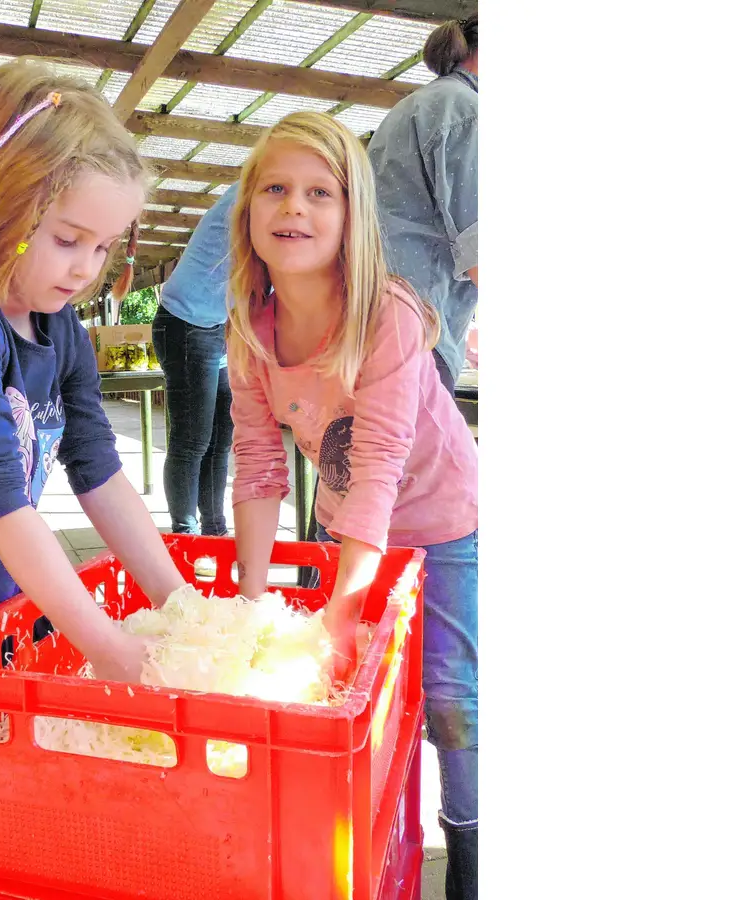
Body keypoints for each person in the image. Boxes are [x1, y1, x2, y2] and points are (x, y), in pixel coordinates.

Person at [0, 59, 188, 899]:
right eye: (66, 237)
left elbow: (100, 473)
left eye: (101, 245)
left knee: (4, 818)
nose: (87, 266)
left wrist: (179, 606)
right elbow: (3, 503)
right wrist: (108, 646)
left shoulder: (59, 328)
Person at [225, 111, 480, 900]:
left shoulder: (387, 315)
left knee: (446, 696)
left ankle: (472, 858)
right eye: (275, 190)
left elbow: (376, 467)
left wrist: (342, 610)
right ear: (248, 216)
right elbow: (261, 468)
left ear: (354, 215)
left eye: (318, 193)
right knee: (362, 700)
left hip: (442, 526)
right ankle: (382, 848)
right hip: (358, 532)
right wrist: (250, 599)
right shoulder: (250, 331)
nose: (294, 208)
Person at [368, 15, 478, 392]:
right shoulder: (467, 110)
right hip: (420, 325)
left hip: (378, 314)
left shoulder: (416, 105)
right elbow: (479, 244)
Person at [152, 183, 239, 536]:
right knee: (192, 440)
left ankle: (214, 530)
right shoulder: (254, 195)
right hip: (185, 324)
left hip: (214, 327)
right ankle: (183, 534)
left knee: (220, 438)